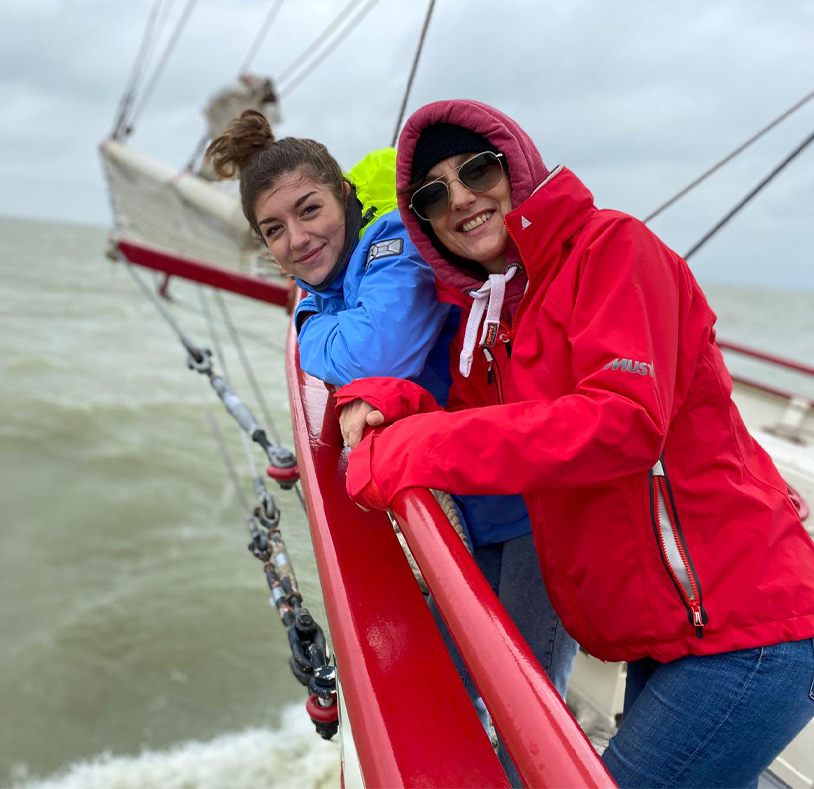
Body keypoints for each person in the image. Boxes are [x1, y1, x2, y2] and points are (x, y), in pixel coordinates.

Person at [334, 98, 814, 788]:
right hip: (674, 629)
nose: (462, 198)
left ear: (517, 167)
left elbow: (621, 423)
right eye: (434, 194)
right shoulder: (505, 309)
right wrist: (388, 400)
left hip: (749, 628)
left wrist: (417, 448)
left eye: (478, 169)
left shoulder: (612, 249)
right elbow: (470, 416)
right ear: (421, 220)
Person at [204, 112, 578, 770]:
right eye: (274, 229)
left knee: (530, 705)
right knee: (446, 695)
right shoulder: (332, 285)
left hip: (530, 508)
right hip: (473, 502)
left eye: (309, 209)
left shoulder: (391, 246)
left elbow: (374, 353)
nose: (298, 238)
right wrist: (320, 323)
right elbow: (336, 342)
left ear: (344, 195)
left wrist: (316, 329)